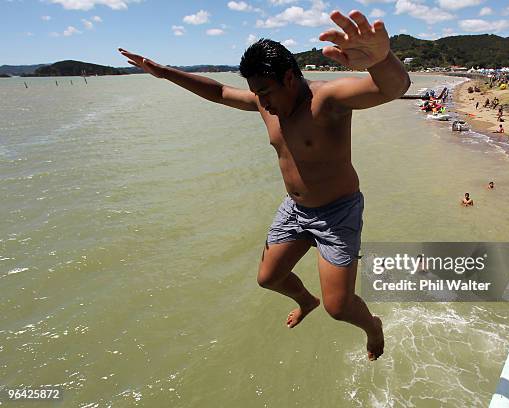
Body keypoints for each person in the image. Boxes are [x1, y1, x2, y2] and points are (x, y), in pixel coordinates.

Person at [119, 9, 410, 361]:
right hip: (296, 209)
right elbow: (220, 91)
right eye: (256, 92)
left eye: (265, 91)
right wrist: (164, 73)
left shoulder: (327, 101)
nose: (262, 102)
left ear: (289, 78)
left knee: (340, 308)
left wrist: (382, 59)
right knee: (269, 278)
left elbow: (391, 88)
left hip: (337, 213)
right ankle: (306, 300)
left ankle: (372, 326)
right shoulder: (265, 102)